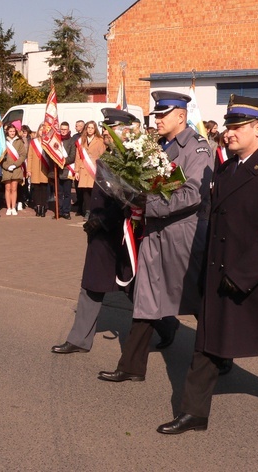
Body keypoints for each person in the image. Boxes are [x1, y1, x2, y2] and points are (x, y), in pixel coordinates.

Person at [157, 95, 258, 436]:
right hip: (221, 271)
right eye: (227, 127)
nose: (228, 134)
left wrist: (242, 275)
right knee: (208, 342)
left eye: (236, 127)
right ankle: (194, 413)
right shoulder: (227, 168)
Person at [98, 90, 213, 383]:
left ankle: (219, 355)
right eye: (156, 115)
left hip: (182, 236)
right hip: (155, 232)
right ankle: (131, 367)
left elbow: (192, 195)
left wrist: (148, 205)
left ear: (180, 116)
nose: (157, 119)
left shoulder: (198, 148)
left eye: (162, 115)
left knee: (197, 300)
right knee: (145, 299)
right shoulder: (156, 146)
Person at [52, 109, 177, 354]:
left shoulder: (137, 158)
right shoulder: (108, 157)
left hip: (126, 232)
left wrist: (104, 219)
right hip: (101, 232)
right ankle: (79, 339)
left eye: (112, 129)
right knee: (92, 283)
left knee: (132, 286)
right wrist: (94, 219)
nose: (107, 134)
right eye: (106, 128)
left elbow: (133, 199)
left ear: (126, 130)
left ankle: (167, 324)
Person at [74, 120, 106, 219]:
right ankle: (87, 211)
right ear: (86, 129)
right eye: (88, 128)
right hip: (84, 169)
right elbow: (78, 157)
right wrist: (76, 171)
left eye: (92, 128)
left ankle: (94, 211)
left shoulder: (100, 140)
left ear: (95, 129)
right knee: (85, 192)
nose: (90, 130)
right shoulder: (81, 140)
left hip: (94, 168)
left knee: (94, 191)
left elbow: (103, 156)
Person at [1, 120, 27, 216]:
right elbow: (1, 156)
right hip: (6, 168)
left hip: (16, 168)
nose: (12, 133)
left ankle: (13, 207)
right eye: (10, 131)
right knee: (7, 188)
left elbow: (23, 155)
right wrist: (6, 166)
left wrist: (15, 164)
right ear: (7, 131)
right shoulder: (3, 142)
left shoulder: (19, 142)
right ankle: (8, 208)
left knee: (14, 188)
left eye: (13, 131)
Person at [27, 125, 52, 216]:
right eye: (41, 129)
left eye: (44, 130)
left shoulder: (48, 142)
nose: (42, 131)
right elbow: (29, 156)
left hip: (45, 168)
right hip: (34, 168)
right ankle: (38, 206)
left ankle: (43, 206)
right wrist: (29, 169)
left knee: (44, 188)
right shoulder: (33, 142)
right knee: (36, 188)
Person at [56, 122, 76, 219]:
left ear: (68, 130)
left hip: (67, 170)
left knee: (67, 193)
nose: (63, 131)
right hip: (57, 171)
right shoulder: (56, 140)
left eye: (65, 129)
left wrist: (63, 161)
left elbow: (72, 156)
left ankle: (66, 211)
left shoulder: (71, 141)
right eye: (62, 129)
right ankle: (58, 211)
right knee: (58, 193)